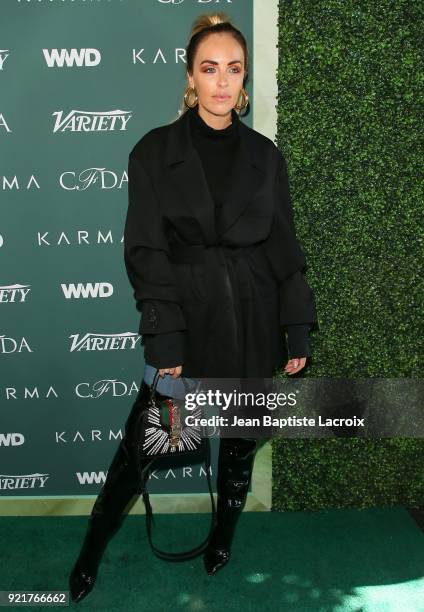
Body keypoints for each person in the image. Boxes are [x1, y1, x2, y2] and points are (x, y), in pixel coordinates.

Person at [69, 12, 317, 603]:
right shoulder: (153, 153)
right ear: (190, 77)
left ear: (244, 80)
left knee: (236, 447)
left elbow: (283, 244)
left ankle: (222, 539)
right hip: (187, 328)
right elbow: (145, 252)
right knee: (138, 454)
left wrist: (298, 326)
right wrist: (165, 342)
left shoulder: (266, 155)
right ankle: (89, 553)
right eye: (211, 68)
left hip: (255, 327)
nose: (223, 81)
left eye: (234, 69)